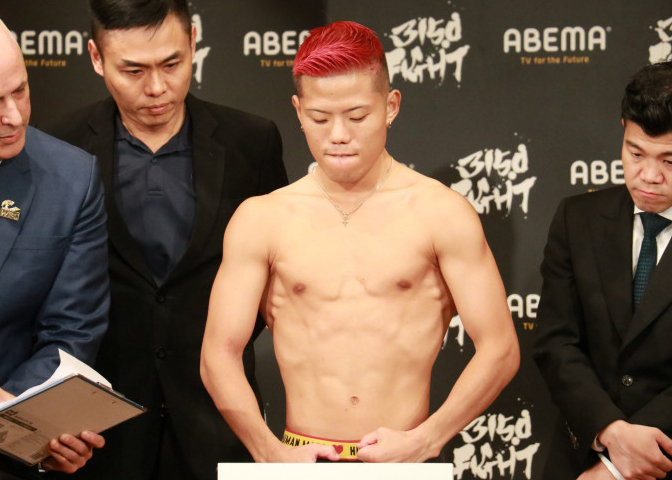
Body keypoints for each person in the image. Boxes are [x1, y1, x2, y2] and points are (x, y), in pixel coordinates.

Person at [200, 20, 520, 463]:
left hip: (404, 462)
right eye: (319, 118)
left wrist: (427, 439)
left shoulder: (441, 213)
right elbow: (218, 353)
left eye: (356, 117)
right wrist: (268, 451)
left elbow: (500, 348)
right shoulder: (262, 219)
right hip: (300, 462)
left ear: (391, 106)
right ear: (298, 111)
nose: (338, 135)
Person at [45, 0, 288, 478]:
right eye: (133, 70)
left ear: (194, 42)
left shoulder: (252, 141)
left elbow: (276, 283)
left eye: (172, 64)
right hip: (98, 434)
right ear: (96, 58)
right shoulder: (58, 147)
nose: (157, 88)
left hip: (217, 425)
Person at [534, 61, 672, 480]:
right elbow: (557, 342)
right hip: (582, 456)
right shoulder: (577, 218)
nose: (649, 176)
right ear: (623, 130)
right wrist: (610, 432)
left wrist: (616, 468)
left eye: (670, 160)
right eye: (636, 153)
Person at [0, 19, 107, 479]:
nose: (14, 116)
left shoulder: (70, 178)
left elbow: (71, 330)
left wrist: (22, 421)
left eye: (20, 91)